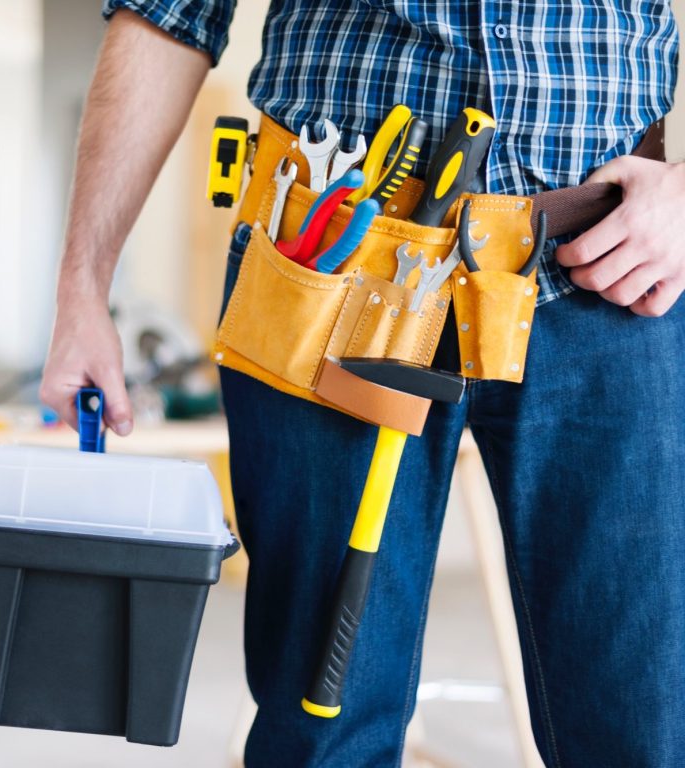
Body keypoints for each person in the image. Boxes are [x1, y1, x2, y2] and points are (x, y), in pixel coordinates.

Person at [40, 3, 685, 766]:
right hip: (327, 275)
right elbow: (166, 15)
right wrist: (82, 288)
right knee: (325, 724)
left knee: (644, 726)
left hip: (615, 271)